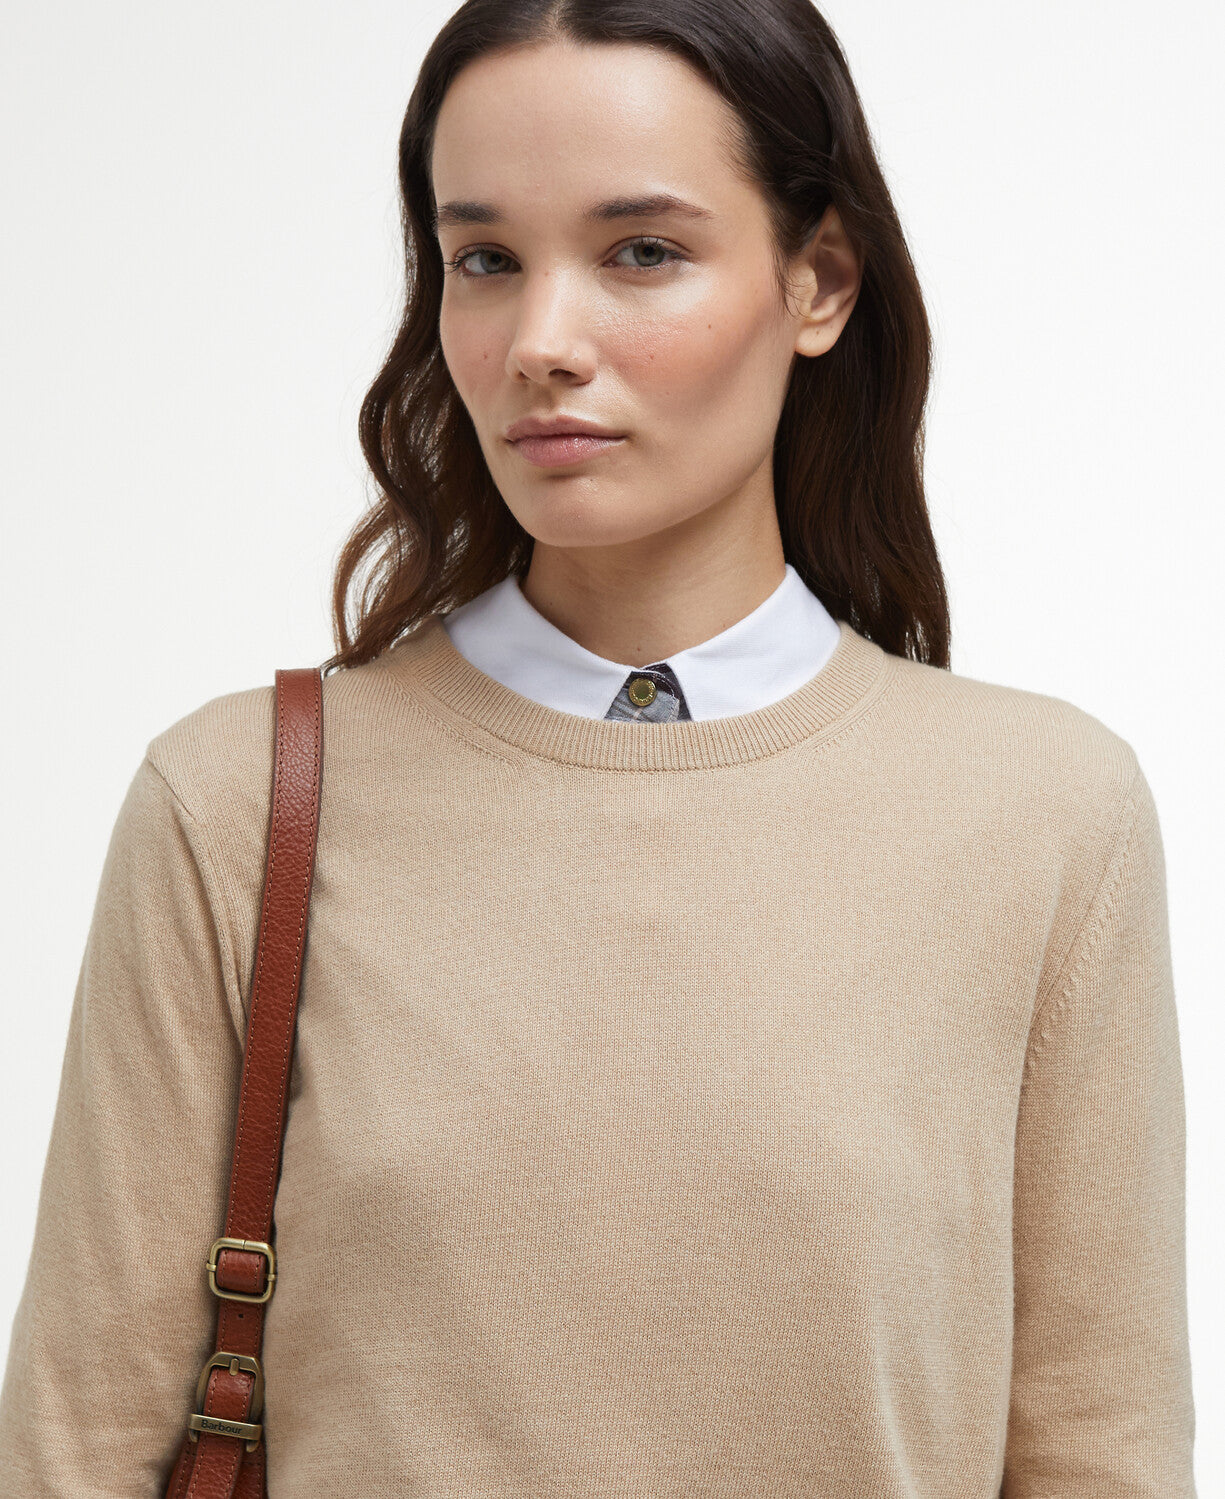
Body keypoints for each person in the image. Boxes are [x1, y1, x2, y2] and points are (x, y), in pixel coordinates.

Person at [0, 0, 1197, 1494]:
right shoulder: (237, 802)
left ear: (819, 280)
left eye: (640, 251)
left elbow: (1099, 1454)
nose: (541, 344)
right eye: (485, 260)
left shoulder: (1043, 815)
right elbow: (72, 1447)